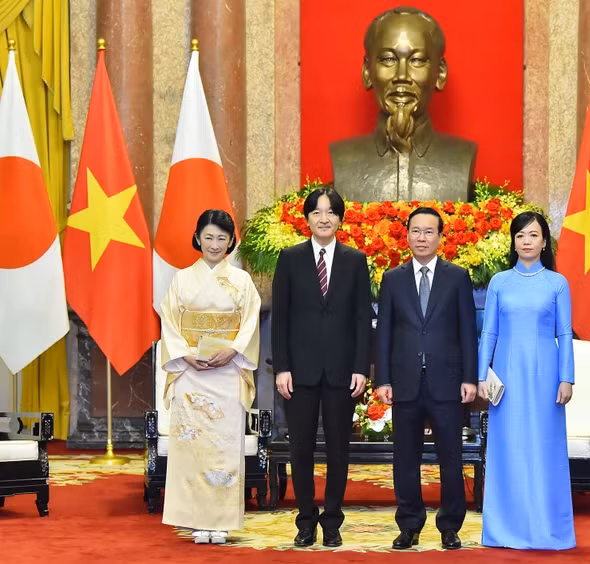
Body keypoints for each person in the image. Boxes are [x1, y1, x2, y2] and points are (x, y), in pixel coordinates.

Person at [271, 187, 372, 548]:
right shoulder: (290, 258)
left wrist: (362, 367)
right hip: (299, 373)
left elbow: (363, 318)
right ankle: (304, 520)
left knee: (338, 450)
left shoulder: (355, 260)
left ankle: (332, 521)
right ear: (308, 218)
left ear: (341, 219)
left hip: (343, 373)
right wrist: (281, 367)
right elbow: (280, 318)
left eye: (331, 212)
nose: (324, 218)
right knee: (300, 449)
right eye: (317, 212)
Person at [375, 207, 478, 550]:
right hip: (404, 383)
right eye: (416, 231)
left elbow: (467, 332)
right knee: (405, 458)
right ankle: (409, 525)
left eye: (428, 231)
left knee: (450, 458)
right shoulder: (392, 278)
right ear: (406, 235)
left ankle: (450, 526)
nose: (422, 237)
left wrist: (469, 377)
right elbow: (384, 334)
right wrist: (383, 379)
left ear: (440, 237)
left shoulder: (457, 276)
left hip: (447, 382)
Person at [159, 209, 261, 545]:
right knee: (192, 445)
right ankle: (194, 518)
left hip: (228, 370)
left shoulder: (242, 281)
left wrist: (233, 350)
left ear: (232, 241)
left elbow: (249, 322)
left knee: (223, 446)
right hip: (191, 371)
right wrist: (184, 354)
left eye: (222, 238)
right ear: (198, 238)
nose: (215, 244)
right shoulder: (181, 279)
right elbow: (170, 323)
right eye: (208, 237)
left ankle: (221, 520)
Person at [477, 211, 575, 550]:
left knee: (543, 450)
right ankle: (504, 529)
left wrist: (567, 378)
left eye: (533, 235)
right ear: (513, 242)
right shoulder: (499, 282)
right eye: (520, 236)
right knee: (508, 450)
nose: (527, 242)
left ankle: (548, 529)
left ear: (544, 242)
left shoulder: (556, 283)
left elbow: (564, 333)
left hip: (546, 378)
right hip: (505, 379)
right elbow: (488, 332)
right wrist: (480, 376)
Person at [330, 6, 477, 202]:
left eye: (417, 61)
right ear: (367, 71)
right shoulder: (344, 158)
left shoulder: (461, 157)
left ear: (440, 73)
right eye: (388, 59)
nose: (401, 76)